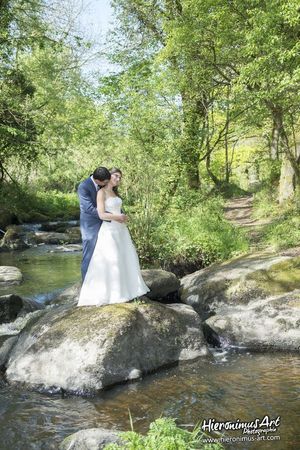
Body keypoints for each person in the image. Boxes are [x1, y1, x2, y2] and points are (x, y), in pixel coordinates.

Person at [77, 168, 150, 306]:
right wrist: (115, 217)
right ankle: (90, 287)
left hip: (119, 229)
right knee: (98, 256)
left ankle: (128, 289)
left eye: (120, 177)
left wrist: (121, 217)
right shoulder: (89, 188)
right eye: (116, 176)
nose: (118, 179)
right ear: (109, 176)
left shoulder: (114, 192)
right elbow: (95, 211)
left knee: (125, 256)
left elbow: (116, 208)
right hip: (94, 225)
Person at [77, 166, 127, 281]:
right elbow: (89, 208)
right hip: (90, 225)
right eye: (105, 181)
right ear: (98, 181)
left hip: (108, 225)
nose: (108, 182)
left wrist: (117, 214)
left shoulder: (105, 183)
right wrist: (111, 215)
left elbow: (111, 202)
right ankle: (86, 283)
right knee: (89, 255)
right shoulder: (83, 186)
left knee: (105, 255)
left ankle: (104, 280)